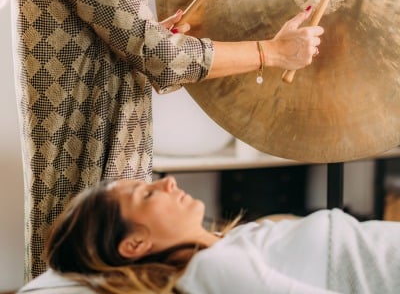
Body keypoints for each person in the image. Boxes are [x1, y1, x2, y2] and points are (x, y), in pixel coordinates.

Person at [0, 0, 324, 281]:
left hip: (72, 145)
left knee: (74, 268)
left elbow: (107, 44)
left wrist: (153, 35)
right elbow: (161, 59)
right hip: (93, 153)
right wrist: (272, 52)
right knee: (94, 271)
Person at [22, 176, 398, 294]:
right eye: (148, 194)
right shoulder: (213, 267)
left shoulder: (228, 245)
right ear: (135, 244)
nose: (168, 182)